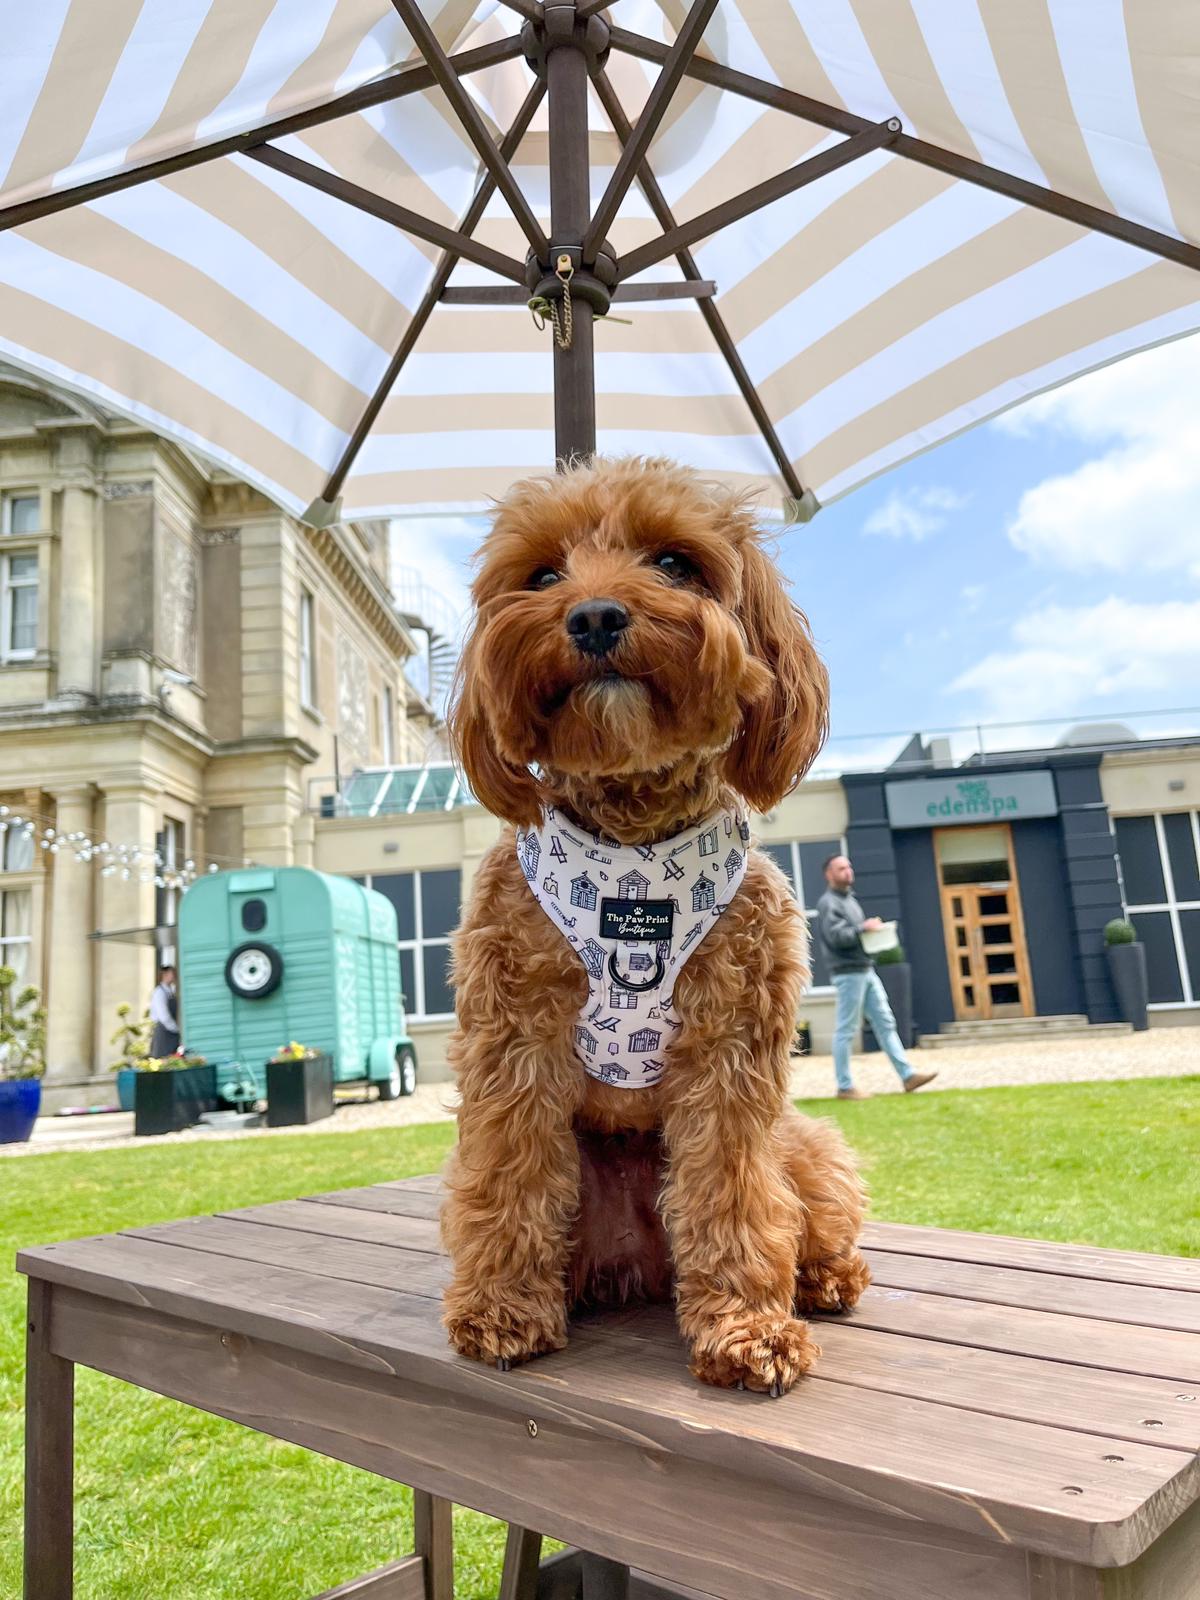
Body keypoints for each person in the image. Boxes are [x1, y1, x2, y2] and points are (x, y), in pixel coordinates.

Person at [816, 855, 936, 1101]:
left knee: (885, 1022)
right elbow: (836, 937)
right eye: (841, 868)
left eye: (849, 867)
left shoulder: (850, 901)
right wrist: (864, 928)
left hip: (865, 970)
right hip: (848, 973)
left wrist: (870, 931)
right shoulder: (829, 903)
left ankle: (907, 1075)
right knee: (846, 1029)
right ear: (829, 874)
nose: (848, 871)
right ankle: (845, 1086)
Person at [149, 963, 180, 1059]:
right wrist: (177, 1030)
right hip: (164, 1032)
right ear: (165, 975)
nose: (174, 976)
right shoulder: (159, 992)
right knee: (163, 1060)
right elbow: (164, 1016)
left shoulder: (169, 991)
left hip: (170, 1031)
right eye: (172, 973)